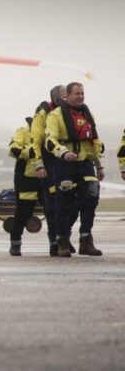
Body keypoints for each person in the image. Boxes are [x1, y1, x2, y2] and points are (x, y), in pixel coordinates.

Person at [45, 82, 104, 257]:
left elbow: (93, 141)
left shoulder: (87, 114)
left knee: (91, 200)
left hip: (85, 164)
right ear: (67, 96)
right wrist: (63, 153)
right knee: (63, 203)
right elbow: (50, 141)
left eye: (82, 93)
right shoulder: (55, 116)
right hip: (64, 165)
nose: (80, 96)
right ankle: (62, 241)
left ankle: (86, 240)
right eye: (77, 93)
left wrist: (98, 165)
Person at [30, 85, 69, 255]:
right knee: (52, 204)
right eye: (62, 96)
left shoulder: (71, 111)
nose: (65, 99)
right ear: (54, 97)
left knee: (72, 203)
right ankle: (55, 241)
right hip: (49, 161)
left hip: (68, 160)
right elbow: (36, 140)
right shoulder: (43, 113)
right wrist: (39, 164)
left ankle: (63, 237)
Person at [7, 117, 45, 256]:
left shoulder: (49, 131)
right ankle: (15, 243)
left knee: (54, 211)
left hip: (47, 177)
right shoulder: (23, 131)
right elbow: (12, 150)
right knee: (24, 213)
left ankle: (58, 242)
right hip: (26, 178)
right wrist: (30, 151)